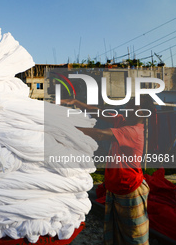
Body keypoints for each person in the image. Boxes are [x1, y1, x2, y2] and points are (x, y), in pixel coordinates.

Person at [61, 95, 155, 245]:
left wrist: (65, 129)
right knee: (116, 232)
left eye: (132, 107)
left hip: (130, 189)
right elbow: (100, 112)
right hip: (116, 187)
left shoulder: (133, 131)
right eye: (128, 105)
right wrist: (76, 102)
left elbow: (100, 134)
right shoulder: (122, 121)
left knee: (135, 237)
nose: (126, 109)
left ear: (142, 113)